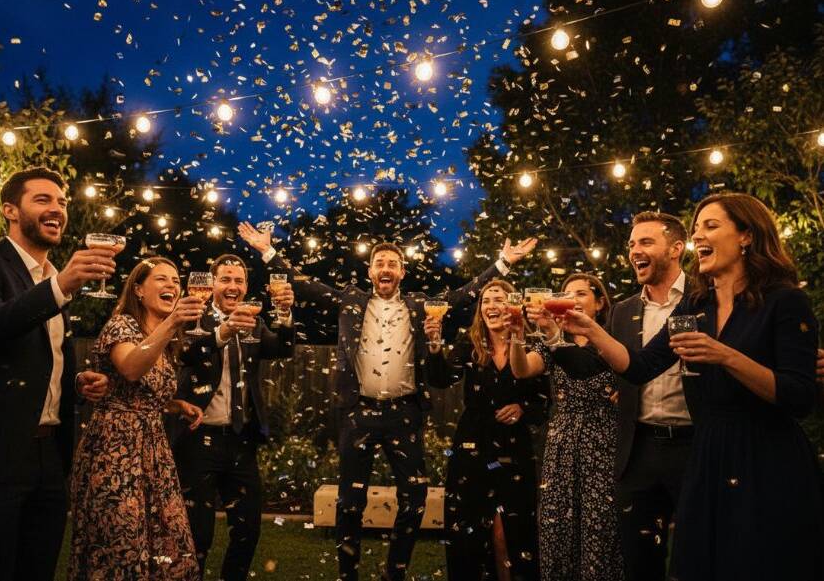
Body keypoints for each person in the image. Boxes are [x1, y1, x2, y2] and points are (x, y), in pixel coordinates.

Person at [238, 220, 537, 581]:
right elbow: (306, 284)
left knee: (415, 497)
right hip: (358, 412)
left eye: (392, 264)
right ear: (370, 271)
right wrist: (267, 251)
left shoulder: (419, 305)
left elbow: (464, 295)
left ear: (402, 272)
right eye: (379, 263)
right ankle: (348, 574)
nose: (385, 268)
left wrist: (503, 261)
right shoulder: (350, 300)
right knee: (350, 502)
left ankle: (395, 572)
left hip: (405, 412)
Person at [563, 193, 824, 580]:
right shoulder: (696, 306)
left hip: (764, 453)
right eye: (697, 226)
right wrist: (591, 329)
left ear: (746, 236)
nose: (699, 234)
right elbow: (639, 367)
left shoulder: (784, 301)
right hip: (708, 454)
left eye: (711, 226)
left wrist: (725, 355)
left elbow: (799, 397)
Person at [0, 167, 113, 581]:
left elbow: (30, 361)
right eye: (43, 200)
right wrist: (61, 286)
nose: (57, 209)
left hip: (46, 456)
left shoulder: (52, 281)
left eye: (63, 202)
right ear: (9, 210)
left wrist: (76, 384)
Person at [69, 257, 205, 581]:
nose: (172, 285)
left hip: (154, 452)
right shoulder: (122, 325)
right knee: (121, 544)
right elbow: (130, 369)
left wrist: (176, 404)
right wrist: (171, 323)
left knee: (166, 543)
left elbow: (142, 392)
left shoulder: (161, 337)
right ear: (139, 290)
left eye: (176, 280)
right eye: (161, 279)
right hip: (115, 451)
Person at [172, 253, 296, 581]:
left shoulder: (253, 320)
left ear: (246, 287)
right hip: (197, 439)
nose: (232, 286)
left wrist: (284, 313)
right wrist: (224, 330)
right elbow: (187, 353)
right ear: (212, 283)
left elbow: (282, 348)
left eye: (238, 280)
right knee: (198, 535)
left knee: (247, 530)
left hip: (241, 441)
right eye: (225, 279)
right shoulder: (192, 316)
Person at [423, 279, 542, 581]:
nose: (491, 306)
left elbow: (545, 398)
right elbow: (440, 379)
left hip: (514, 447)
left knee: (511, 530)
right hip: (473, 446)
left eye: (499, 299)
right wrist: (435, 347)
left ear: (512, 305)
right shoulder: (470, 342)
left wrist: (523, 408)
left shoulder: (532, 342)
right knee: (470, 529)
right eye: (486, 300)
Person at [608, 212, 692, 581]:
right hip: (637, 450)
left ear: (676, 248)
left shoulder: (705, 301)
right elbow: (620, 369)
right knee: (638, 563)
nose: (634, 251)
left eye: (645, 242)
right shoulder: (623, 311)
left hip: (695, 446)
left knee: (696, 558)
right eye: (631, 244)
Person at [527, 273, 625, 581]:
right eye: (567, 294)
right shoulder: (556, 341)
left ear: (599, 303)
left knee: (600, 521)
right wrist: (519, 334)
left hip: (604, 435)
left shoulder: (614, 338)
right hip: (563, 438)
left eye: (581, 294)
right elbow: (523, 369)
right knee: (559, 522)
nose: (573, 299)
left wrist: (630, 390)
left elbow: (637, 367)